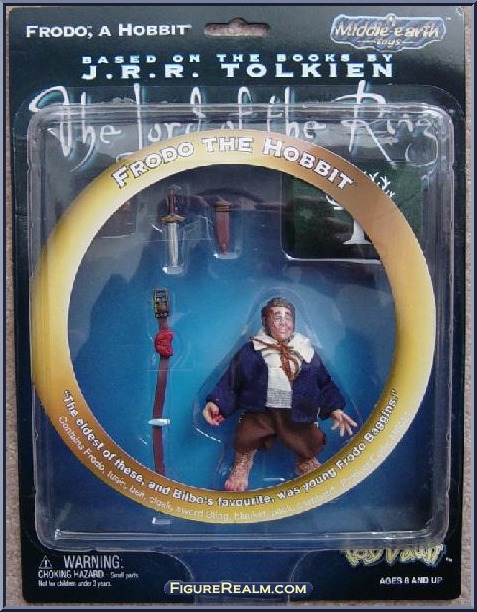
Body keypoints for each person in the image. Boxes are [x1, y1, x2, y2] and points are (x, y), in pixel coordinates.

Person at [203, 297, 357, 491]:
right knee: (246, 435)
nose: (283, 322)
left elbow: (324, 383)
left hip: (296, 412)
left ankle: (305, 461)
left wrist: (334, 408)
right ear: (266, 322)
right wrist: (217, 402)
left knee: (309, 439)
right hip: (261, 410)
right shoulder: (252, 351)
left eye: (288, 317)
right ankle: (243, 462)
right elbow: (232, 381)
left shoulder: (306, 352)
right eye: (277, 317)